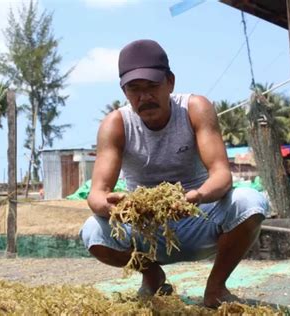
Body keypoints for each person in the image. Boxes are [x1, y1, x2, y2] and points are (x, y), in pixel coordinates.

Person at [80, 39, 268, 308]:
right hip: (146, 228)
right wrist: (116, 207)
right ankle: (152, 274)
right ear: (124, 91)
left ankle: (215, 288)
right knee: (92, 233)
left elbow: (221, 175)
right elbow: (97, 193)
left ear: (170, 82)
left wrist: (198, 196)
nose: (144, 97)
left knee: (249, 202)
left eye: (152, 87)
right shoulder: (116, 124)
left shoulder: (195, 108)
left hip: (197, 216)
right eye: (135, 89)